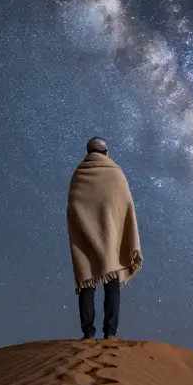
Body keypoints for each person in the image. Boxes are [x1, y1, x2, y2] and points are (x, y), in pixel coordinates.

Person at [66, 137, 143, 341]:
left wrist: (84, 228)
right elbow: (125, 206)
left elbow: (73, 207)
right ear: (106, 152)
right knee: (112, 285)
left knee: (87, 283)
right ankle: (110, 333)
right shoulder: (116, 174)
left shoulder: (79, 174)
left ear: (88, 151)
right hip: (111, 240)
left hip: (84, 241)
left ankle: (88, 333)